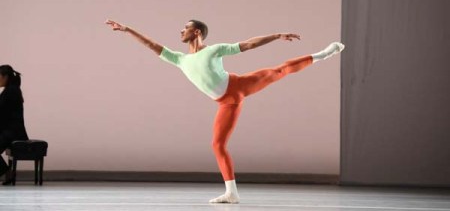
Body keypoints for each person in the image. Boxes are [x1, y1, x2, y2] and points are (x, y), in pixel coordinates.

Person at [105, 19, 344, 204]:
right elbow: (152, 45)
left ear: (197, 32)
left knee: (279, 71)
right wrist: (128, 30)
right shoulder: (179, 59)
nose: (181, 31)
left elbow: (248, 44)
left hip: (238, 85)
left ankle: (322, 54)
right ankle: (232, 193)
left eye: (185, 28)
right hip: (226, 103)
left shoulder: (214, 50)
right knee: (217, 145)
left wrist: (276, 36)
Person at [0, 65, 29, 183]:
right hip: (10, 130)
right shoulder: (11, 90)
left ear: (5, 77)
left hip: (12, 132)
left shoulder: (11, 91)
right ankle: (7, 171)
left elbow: (3, 114)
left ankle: (7, 172)